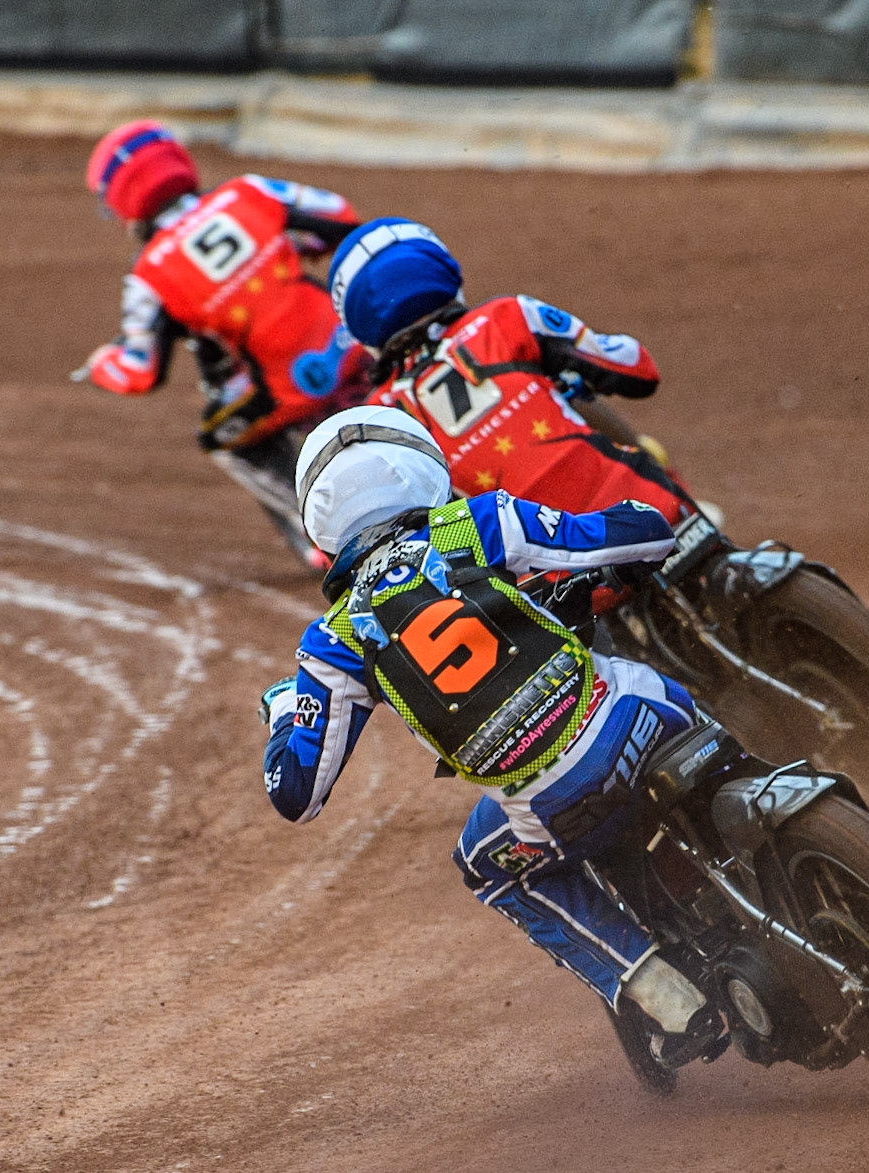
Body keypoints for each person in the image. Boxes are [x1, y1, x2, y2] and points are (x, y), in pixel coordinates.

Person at [260, 404, 726, 1065]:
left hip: (549, 808)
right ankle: (778, 788)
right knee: (673, 693)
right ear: (419, 467)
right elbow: (644, 536)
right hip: (638, 717)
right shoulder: (472, 524)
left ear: (325, 523)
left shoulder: (333, 639)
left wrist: (285, 712)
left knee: (486, 864)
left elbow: (295, 794)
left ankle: (667, 997)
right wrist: (634, 527)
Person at [80, 120, 371, 567]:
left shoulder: (150, 274)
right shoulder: (248, 192)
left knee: (223, 436)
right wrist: (295, 248)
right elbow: (338, 217)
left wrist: (102, 364)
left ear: (124, 200)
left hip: (286, 390)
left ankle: (321, 531)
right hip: (353, 341)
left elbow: (140, 371)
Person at [326, 218, 697, 526]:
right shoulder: (506, 317)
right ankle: (709, 545)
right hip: (645, 510)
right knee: (641, 451)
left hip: (547, 579)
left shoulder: (382, 414)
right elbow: (639, 370)